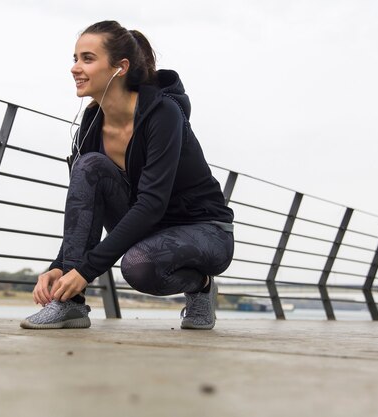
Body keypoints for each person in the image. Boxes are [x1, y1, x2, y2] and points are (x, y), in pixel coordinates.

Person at [20, 20, 234, 330]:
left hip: (205, 230)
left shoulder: (163, 114)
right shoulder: (93, 122)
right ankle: (69, 305)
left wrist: (85, 271)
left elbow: (151, 204)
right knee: (88, 165)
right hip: (150, 230)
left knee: (139, 268)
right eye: (75, 58)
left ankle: (200, 285)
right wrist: (61, 268)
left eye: (87, 59)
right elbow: (85, 212)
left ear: (120, 67)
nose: (75, 68)